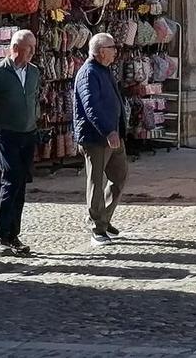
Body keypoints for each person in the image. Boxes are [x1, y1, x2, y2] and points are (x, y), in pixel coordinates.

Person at [0, 28, 44, 256]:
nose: (32, 53)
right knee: (11, 179)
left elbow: (34, 97)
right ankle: (1, 234)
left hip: (27, 132)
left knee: (21, 183)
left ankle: (13, 234)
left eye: (33, 48)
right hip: (6, 133)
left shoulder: (34, 72)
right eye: (29, 48)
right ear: (16, 48)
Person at [73, 32, 128, 246]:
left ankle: (103, 217)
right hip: (96, 137)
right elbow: (91, 106)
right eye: (112, 48)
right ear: (101, 51)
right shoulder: (88, 73)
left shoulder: (104, 70)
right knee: (96, 181)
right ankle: (97, 225)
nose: (116, 51)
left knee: (120, 175)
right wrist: (108, 130)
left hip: (113, 136)